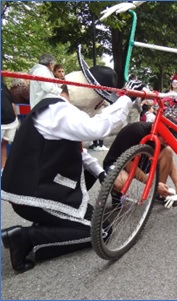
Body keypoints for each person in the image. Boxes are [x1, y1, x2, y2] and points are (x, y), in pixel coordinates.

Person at [1, 83, 134, 272]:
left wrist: (101, 173)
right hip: (34, 196)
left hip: (29, 190)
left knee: (89, 175)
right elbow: (97, 128)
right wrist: (127, 99)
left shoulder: (48, 109)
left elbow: (78, 152)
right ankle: (26, 238)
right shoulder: (58, 109)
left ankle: (51, 223)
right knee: (102, 231)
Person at [102, 119, 177, 207]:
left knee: (168, 151)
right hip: (119, 164)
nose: (166, 143)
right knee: (120, 182)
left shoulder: (161, 136)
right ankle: (116, 195)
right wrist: (152, 184)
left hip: (141, 162)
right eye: (165, 141)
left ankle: (158, 194)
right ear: (159, 131)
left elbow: (169, 159)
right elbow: (129, 165)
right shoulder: (136, 131)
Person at [1, 80, 18, 171]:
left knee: (4, 143)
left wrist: (15, 117)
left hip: (10, 120)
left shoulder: (3, 86)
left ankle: (3, 168)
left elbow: (11, 102)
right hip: (2, 122)